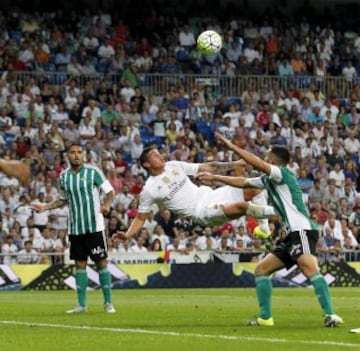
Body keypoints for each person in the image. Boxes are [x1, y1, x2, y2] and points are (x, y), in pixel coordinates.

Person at [198, 132, 343, 328]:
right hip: (290, 234)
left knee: (309, 268)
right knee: (261, 270)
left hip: (301, 230)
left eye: (267, 156)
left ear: (274, 160)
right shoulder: (268, 180)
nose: (264, 158)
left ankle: (331, 315)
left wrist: (231, 146)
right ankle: (265, 318)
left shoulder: (282, 173)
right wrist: (215, 177)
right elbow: (243, 182)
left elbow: (257, 163)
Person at [112, 146, 275, 243]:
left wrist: (235, 163)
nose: (159, 155)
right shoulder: (149, 189)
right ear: (146, 164)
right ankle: (279, 212)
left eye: (158, 152)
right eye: (154, 155)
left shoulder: (173, 165)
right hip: (202, 212)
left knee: (254, 187)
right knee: (243, 207)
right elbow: (140, 218)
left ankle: (264, 230)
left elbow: (207, 167)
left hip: (211, 195)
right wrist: (127, 236)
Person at [30, 143, 116, 314]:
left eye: (79, 152)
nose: (76, 155)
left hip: (94, 226)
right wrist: (45, 207)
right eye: (73, 152)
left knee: (101, 262)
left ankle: (108, 303)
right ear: (67, 156)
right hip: (76, 227)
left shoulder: (93, 172)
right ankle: (81, 305)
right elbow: (63, 199)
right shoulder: (63, 177)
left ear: (83, 155)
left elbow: (110, 192)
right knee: (80, 264)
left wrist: (106, 205)